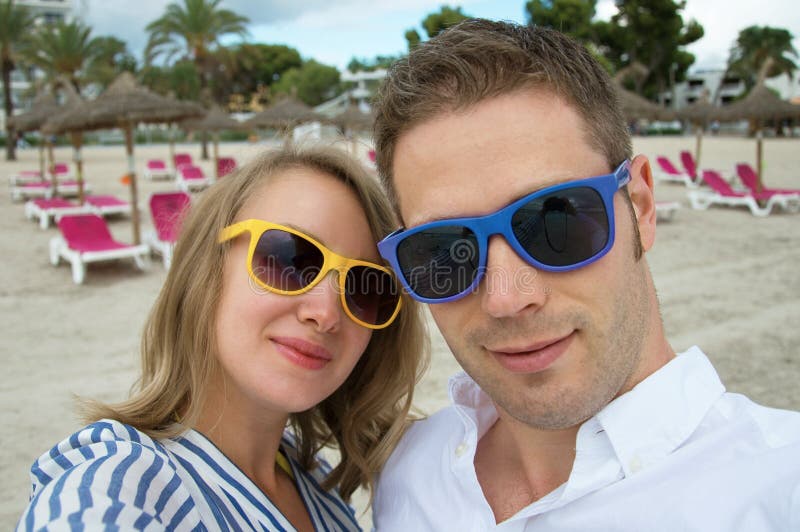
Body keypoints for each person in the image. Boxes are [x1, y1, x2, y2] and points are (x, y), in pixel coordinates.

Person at [371, 19, 800, 530]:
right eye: (443, 249)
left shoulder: (778, 487)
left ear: (640, 205)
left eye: (556, 218)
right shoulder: (406, 476)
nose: (506, 298)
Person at [17, 145, 428, 530]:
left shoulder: (316, 483)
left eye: (366, 287)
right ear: (205, 269)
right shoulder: (119, 482)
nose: (325, 314)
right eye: (291, 259)